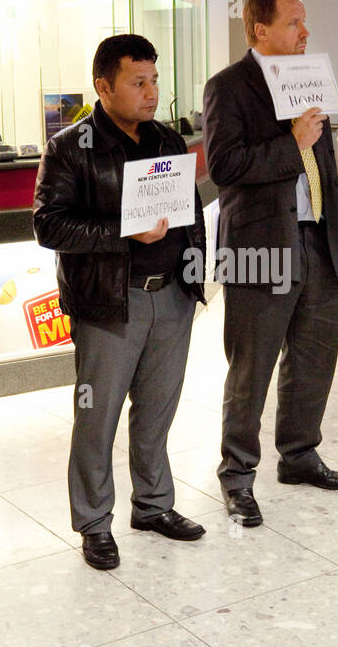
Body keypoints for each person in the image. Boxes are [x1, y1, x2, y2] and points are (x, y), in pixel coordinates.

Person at [33, 34, 208, 570]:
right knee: (97, 416)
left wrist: (196, 276)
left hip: (170, 298)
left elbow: (190, 211)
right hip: (110, 303)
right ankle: (93, 521)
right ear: (103, 87)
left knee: (157, 412)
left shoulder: (166, 141)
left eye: (154, 81)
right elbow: (48, 224)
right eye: (138, 83)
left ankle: (154, 506)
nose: (151, 93)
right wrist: (124, 234)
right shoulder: (69, 148)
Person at [203, 0, 338, 525]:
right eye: (294, 23)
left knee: (314, 358)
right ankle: (238, 476)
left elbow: (325, 162)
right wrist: (290, 142)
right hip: (258, 247)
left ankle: (299, 455)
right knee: (251, 367)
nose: (305, 32)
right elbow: (223, 167)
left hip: (319, 237)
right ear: (260, 30)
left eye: (305, 21)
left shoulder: (310, 78)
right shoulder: (227, 86)